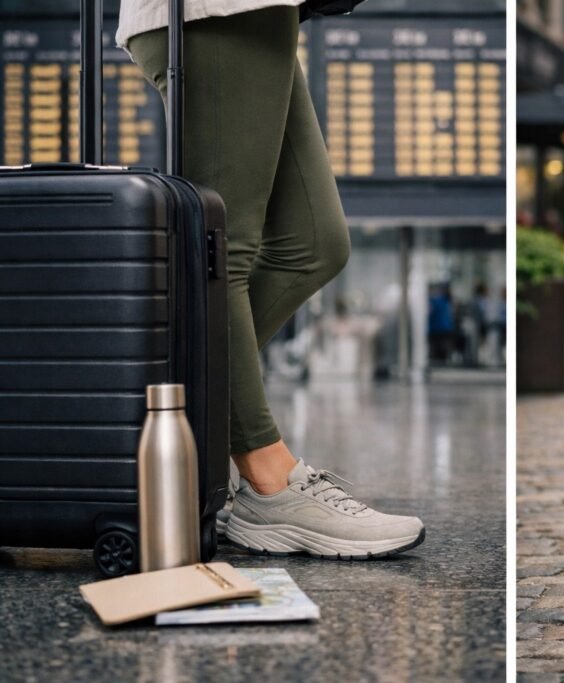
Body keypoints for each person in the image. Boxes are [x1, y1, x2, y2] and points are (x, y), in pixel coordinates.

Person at [116, 1, 425, 559]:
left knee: (314, 244)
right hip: (212, 12)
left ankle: (156, 419)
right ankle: (268, 481)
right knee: (222, 251)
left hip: (263, 9)